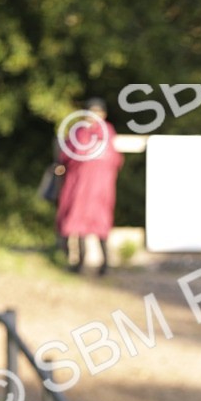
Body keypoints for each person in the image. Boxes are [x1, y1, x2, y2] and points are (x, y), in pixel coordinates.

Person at [55, 98, 123, 275]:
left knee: (98, 223)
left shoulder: (105, 133)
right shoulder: (80, 133)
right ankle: (80, 262)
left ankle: (105, 264)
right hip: (81, 187)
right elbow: (68, 156)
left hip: (99, 188)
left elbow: (114, 160)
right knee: (80, 224)